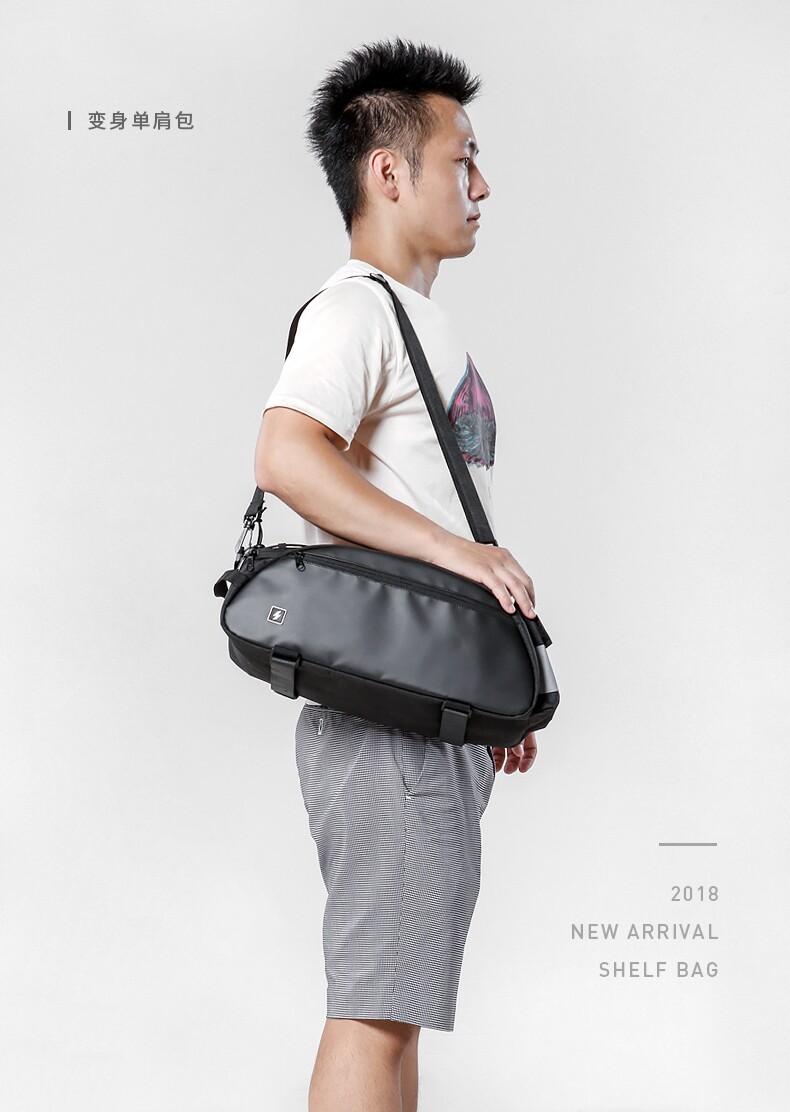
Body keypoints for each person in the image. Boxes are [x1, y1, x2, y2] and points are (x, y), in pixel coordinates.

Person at [253, 36, 539, 1112]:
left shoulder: (414, 322)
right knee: (373, 1013)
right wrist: (458, 554)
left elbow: (422, 505)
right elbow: (286, 454)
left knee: (394, 1010)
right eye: (462, 158)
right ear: (389, 171)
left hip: (421, 709)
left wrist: (483, 683)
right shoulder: (355, 311)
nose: (481, 185)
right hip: (384, 722)